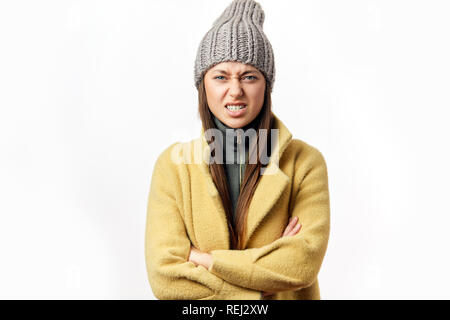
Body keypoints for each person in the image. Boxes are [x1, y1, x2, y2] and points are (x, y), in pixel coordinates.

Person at [145, 0, 330, 300]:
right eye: (220, 76)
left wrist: (205, 261)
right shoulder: (173, 166)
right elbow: (166, 280)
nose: (235, 90)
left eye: (249, 76)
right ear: (202, 84)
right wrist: (265, 279)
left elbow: (302, 265)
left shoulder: (305, 163)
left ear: (266, 85)